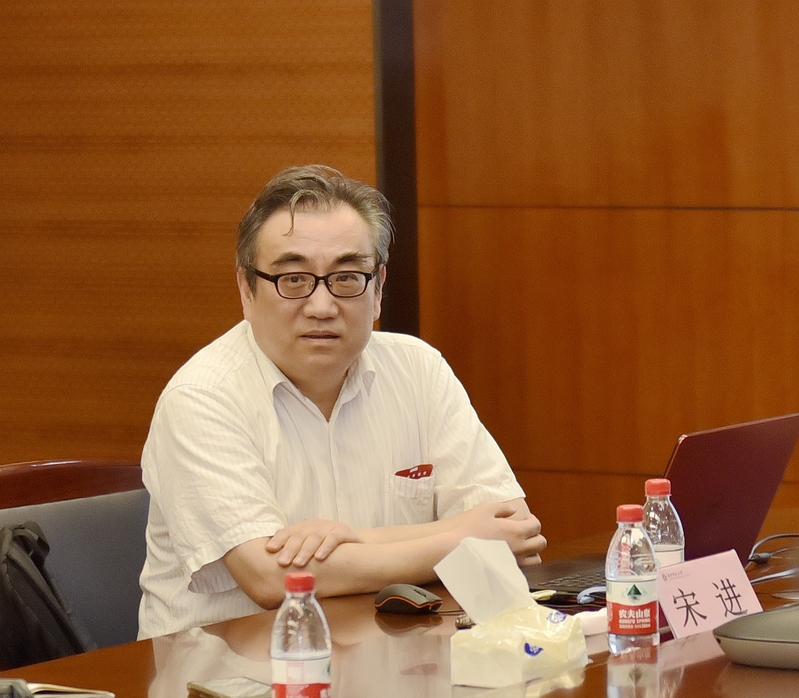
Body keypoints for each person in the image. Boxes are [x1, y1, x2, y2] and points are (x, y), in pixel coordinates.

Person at [137, 165, 546, 639]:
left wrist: (359, 540)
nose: (321, 306)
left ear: (378, 289)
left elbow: (515, 532)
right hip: (226, 668)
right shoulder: (202, 397)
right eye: (293, 279)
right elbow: (270, 579)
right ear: (247, 290)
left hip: (388, 654)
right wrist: (462, 537)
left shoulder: (418, 369)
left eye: (347, 277)